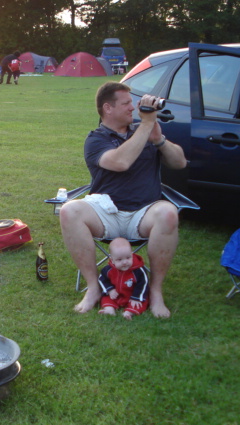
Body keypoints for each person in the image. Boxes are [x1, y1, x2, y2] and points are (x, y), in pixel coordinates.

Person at [60, 81, 188, 318]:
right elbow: (120, 162)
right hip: (106, 212)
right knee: (69, 210)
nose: (133, 108)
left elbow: (180, 162)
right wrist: (146, 125)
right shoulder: (96, 139)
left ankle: (155, 291)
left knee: (168, 212)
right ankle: (94, 288)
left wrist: (159, 140)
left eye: (133, 103)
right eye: (126, 103)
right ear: (108, 108)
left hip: (144, 212)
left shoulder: (145, 131)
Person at [98, 237, 149, 320]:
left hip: (132, 295)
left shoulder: (138, 270)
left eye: (128, 257)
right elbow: (102, 279)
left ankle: (129, 312)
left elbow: (143, 283)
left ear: (132, 255)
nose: (125, 262)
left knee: (140, 303)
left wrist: (136, 297)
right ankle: (109, 309)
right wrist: (110, 290)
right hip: (115, 294)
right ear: (112, 260)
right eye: (119, 259)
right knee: (106, 298)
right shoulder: (108, 270)